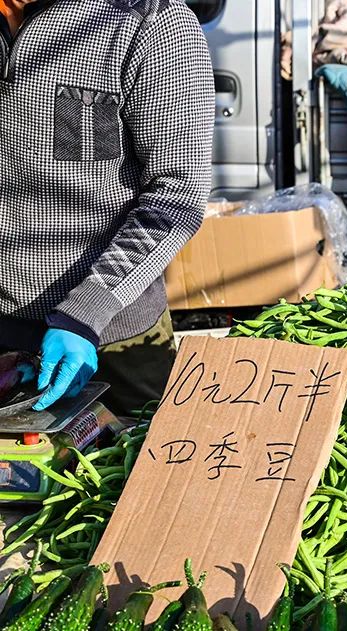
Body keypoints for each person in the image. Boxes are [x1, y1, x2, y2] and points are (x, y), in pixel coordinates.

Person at [0, 0, 214, 417]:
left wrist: (87, 312)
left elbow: (177, 194)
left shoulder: (151, 21)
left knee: (138, 468)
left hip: (116, 338)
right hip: (5, 337)